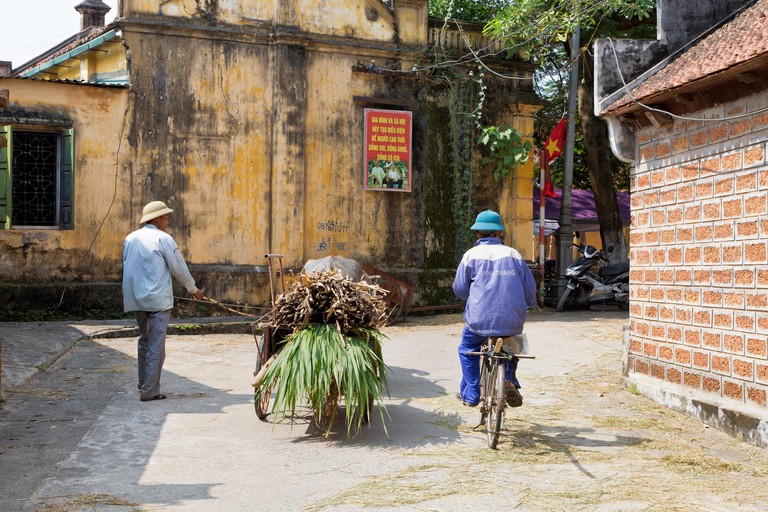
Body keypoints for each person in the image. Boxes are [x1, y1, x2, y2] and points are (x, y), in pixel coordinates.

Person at [452, 209, 537, 407]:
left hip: (479, 321)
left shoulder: (470, 255)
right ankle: (508, 380)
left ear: (477, 234)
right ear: (499, 233)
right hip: (512, 320)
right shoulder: (513, 254)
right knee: (512, 346)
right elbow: (530, 289)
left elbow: (460, 289)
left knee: (467, 350)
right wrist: (528, 305)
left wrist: (471, 297)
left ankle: (472, 392)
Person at [122, 201, 204, 402]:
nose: (168, 220)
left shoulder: (130, 239)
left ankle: (144, 384)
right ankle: (149, 390)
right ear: (156, 218)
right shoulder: (163, 239)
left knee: (144, 341)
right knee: (156, 345)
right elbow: (179, 268)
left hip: (137, 298)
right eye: (166, 216)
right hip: (157, 299)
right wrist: (194, 290)